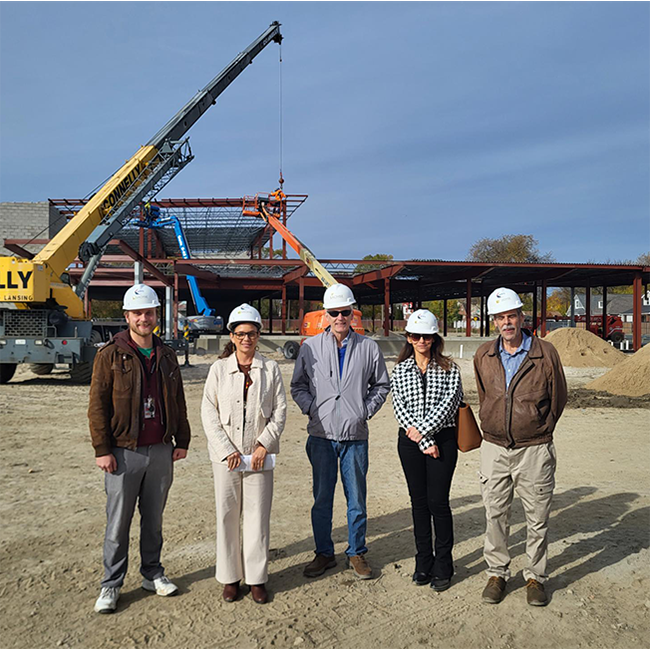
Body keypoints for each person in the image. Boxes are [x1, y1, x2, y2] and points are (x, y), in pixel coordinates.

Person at [88, 283, 190, 614]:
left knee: (154, 520)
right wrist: (102, 449)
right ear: (127, 316)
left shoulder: (167, 355)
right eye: (137, 313)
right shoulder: (109, 355)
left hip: (160, 449)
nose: (143, 319)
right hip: (123, 451)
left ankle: (152, 573)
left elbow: (178, 400)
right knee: (118, 523)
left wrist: (182, 440)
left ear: (156, 315)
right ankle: (111, 584)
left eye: (148, 312)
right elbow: (97, 405)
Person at [474, 287, 567, 606]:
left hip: (534, 449)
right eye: (500, 317)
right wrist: (494, 423)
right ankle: (497, 573)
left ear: (522, 316)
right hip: (494, 448)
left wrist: (539, 428)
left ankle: (535, 577)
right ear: (494, 322)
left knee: (537, 515)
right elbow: (485, 396)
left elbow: (558, 398)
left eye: (511, 316)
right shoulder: (483, 355)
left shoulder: (545, 353)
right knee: (495, 513)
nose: (506, 323)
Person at [291, 284, 390, 579]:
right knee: (322, 498)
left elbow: (381, 385)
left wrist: (364, 411)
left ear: (352, 312)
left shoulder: (369, 348)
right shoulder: (310, 348)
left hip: (354, 437)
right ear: (325, 314)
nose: (339, 317)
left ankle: (356, 552)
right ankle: (324, 553)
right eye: (333, 312)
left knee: (356, 499)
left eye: (345, 312)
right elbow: (298, 386)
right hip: (320, 436)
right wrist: (312, 409)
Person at [201, 304, 286, 604]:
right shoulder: (218, 370)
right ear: (232, 336)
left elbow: (280, 411)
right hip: (226, 459)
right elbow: (208, 412)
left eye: (251, 333)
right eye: (240, 334)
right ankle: (230, 578)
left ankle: (256, 578)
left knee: (257, 516)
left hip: (258, 457)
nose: (246, 339)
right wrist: (226, 451)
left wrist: (264, 444)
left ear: (258, 335)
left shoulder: (271, 369)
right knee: (227, 515)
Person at [391, 309, 463, 592]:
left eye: (427, 336)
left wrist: (425, 434)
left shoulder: (450, 369)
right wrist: (422, 441)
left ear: (435, 338)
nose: (421, 341)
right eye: (415, 336)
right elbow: (399, 408)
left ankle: (443, 564)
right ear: (408, 338)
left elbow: (449, 404)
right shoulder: (399, 370)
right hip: (411, 443)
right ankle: (423, 561)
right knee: (418, 504)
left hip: (442, 440)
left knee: (439, 503)